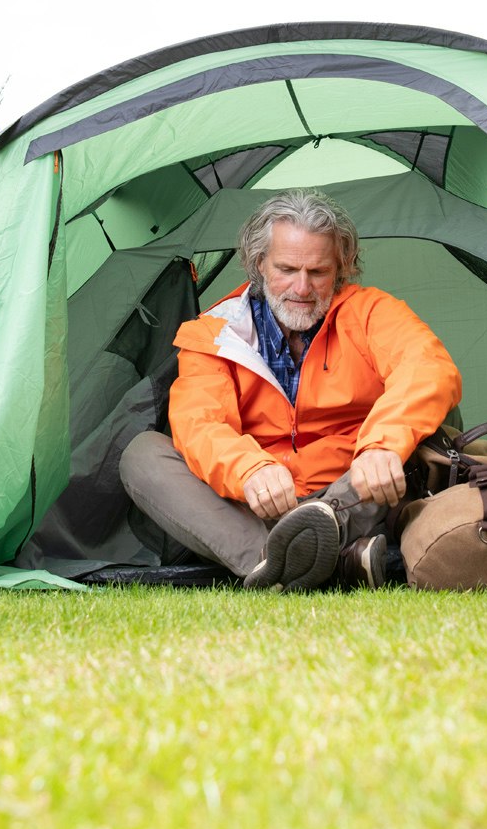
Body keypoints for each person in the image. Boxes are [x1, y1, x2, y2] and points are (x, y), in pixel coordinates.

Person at [121, 188, 463, 591]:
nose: (301, 288)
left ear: (342, 267)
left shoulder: (372, 312)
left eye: (317, 272)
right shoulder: (214, 332)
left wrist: (382, 446)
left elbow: (427, 367)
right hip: (254, 503)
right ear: (259, 263)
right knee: (141, 455)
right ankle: (287, 560)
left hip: (352, 497)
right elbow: (199, 423)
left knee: (431, 425)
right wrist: (249, 469)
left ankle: (290, 562)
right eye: (286, 269)